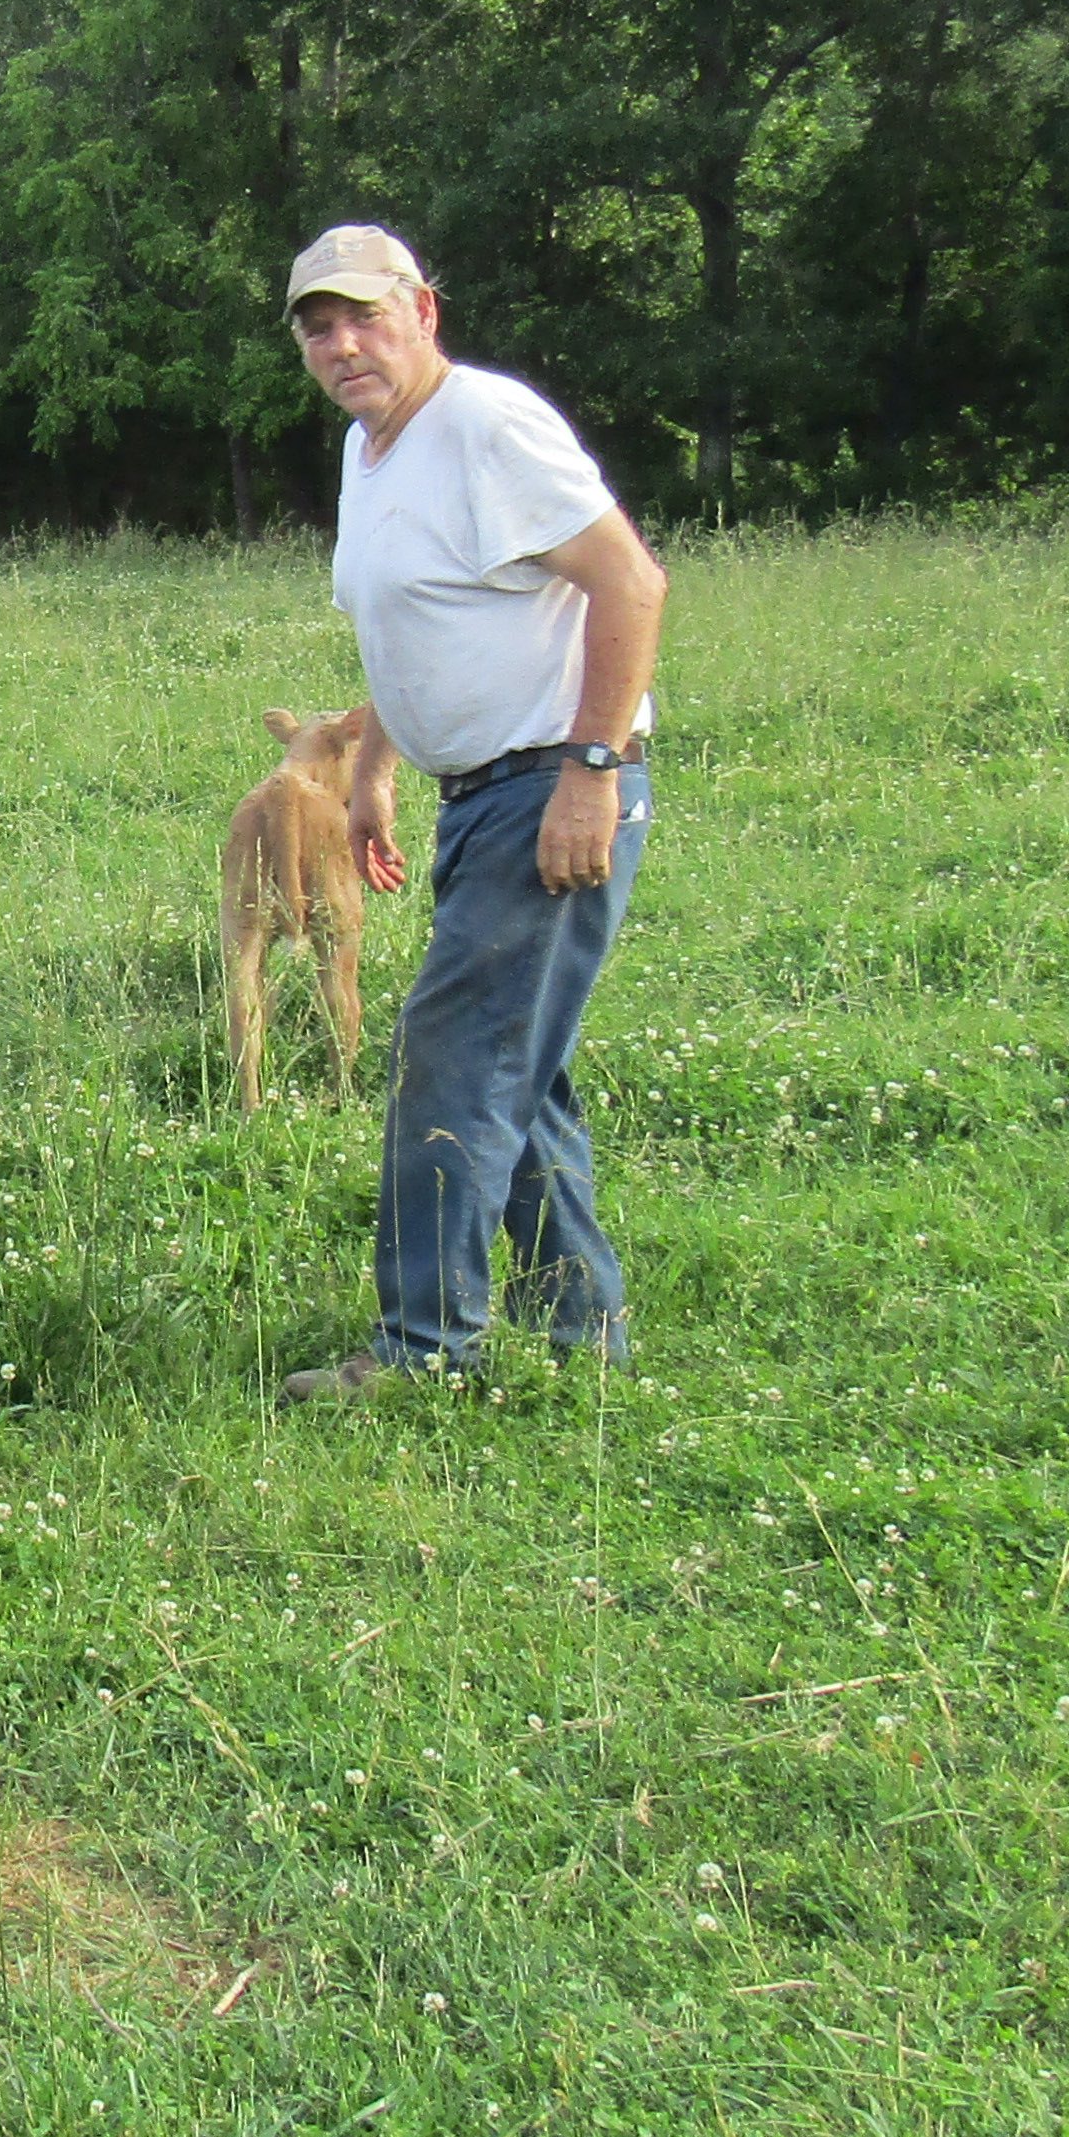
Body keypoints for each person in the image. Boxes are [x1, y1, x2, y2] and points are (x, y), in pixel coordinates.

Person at [270, 224, 670, 1401]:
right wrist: (375, 766)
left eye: (364, 317)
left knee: (449, 1061)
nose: (343, 346)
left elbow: (631, 582)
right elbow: (419, 620)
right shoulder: (370, 450)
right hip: (480, 798)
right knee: (513, 1068)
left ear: (423, 313)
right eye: (318, 328)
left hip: (551, 784)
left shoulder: (486, 426)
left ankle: (423, 1349)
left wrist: (592, 769)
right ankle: (582, 1332)